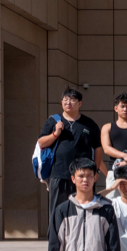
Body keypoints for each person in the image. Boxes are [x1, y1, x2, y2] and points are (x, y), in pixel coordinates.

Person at [38, 88, 104, 224]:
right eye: (65, 100)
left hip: (83, 175)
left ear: (79, 103)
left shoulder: (89, 124)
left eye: (72, 100)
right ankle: (56, 236)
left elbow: (98, 148)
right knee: (57, 211)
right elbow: (41, 143)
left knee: (84, 209)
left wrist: (96, 170)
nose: (68, 102)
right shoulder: (53, 121)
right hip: (59, 173)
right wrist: (55, 133)